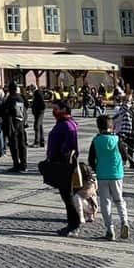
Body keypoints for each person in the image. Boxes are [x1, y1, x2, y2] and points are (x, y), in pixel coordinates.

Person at [89, 114, 130, 241]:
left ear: (98, 126)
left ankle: (110, 230)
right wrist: (121, 164)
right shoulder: (117, 140)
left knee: (105, 203)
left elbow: (91, 159)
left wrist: (97, 168)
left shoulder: (96, 141)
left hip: (102, 175)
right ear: (111, 126)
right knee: (119, 200)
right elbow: (125, 156)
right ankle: (124, 222)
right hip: (116, 174)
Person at [47, 99, 81, 236]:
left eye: (56, 108)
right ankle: (71, 223)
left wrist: (63, 161)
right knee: (66, 196)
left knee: (68, 196)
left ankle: (74, 225)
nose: (54, 111)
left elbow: (71, 148)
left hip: (64, 165)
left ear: (64, 109)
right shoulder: (62, 123)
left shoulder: (68, 125)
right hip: (59, 163)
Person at [3, 82, 27, 172]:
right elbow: (25, 107)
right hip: (21, 122)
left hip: (13, 123)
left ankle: (16, 164)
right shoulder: (20, 97)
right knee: (22, 144)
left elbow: (5, 111)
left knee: (14, 144)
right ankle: (24, 164)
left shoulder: (11, 98)